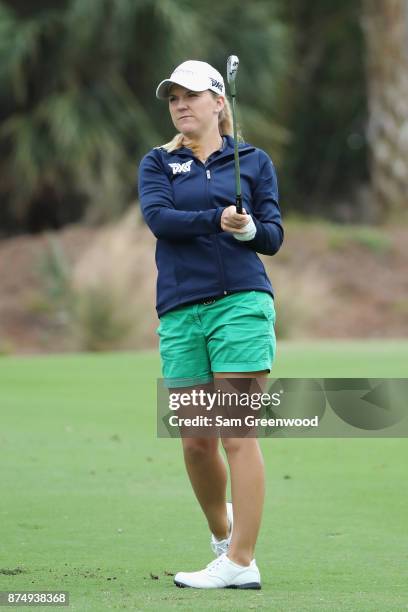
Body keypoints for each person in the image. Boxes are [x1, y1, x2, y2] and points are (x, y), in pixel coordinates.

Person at [138, 60, 284, 590]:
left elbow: (272, 234)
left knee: (236, 432)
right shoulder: (157, 163)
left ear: (219, 103)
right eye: (173, 97)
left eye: (191, 96)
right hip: (180, 309)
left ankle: (242, 561)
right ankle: (224, 537)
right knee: (196, 441)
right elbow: (160, 220)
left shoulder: (254, 162)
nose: (180, 105)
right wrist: (216, 219)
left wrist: (246, 231)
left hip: (241, 304)